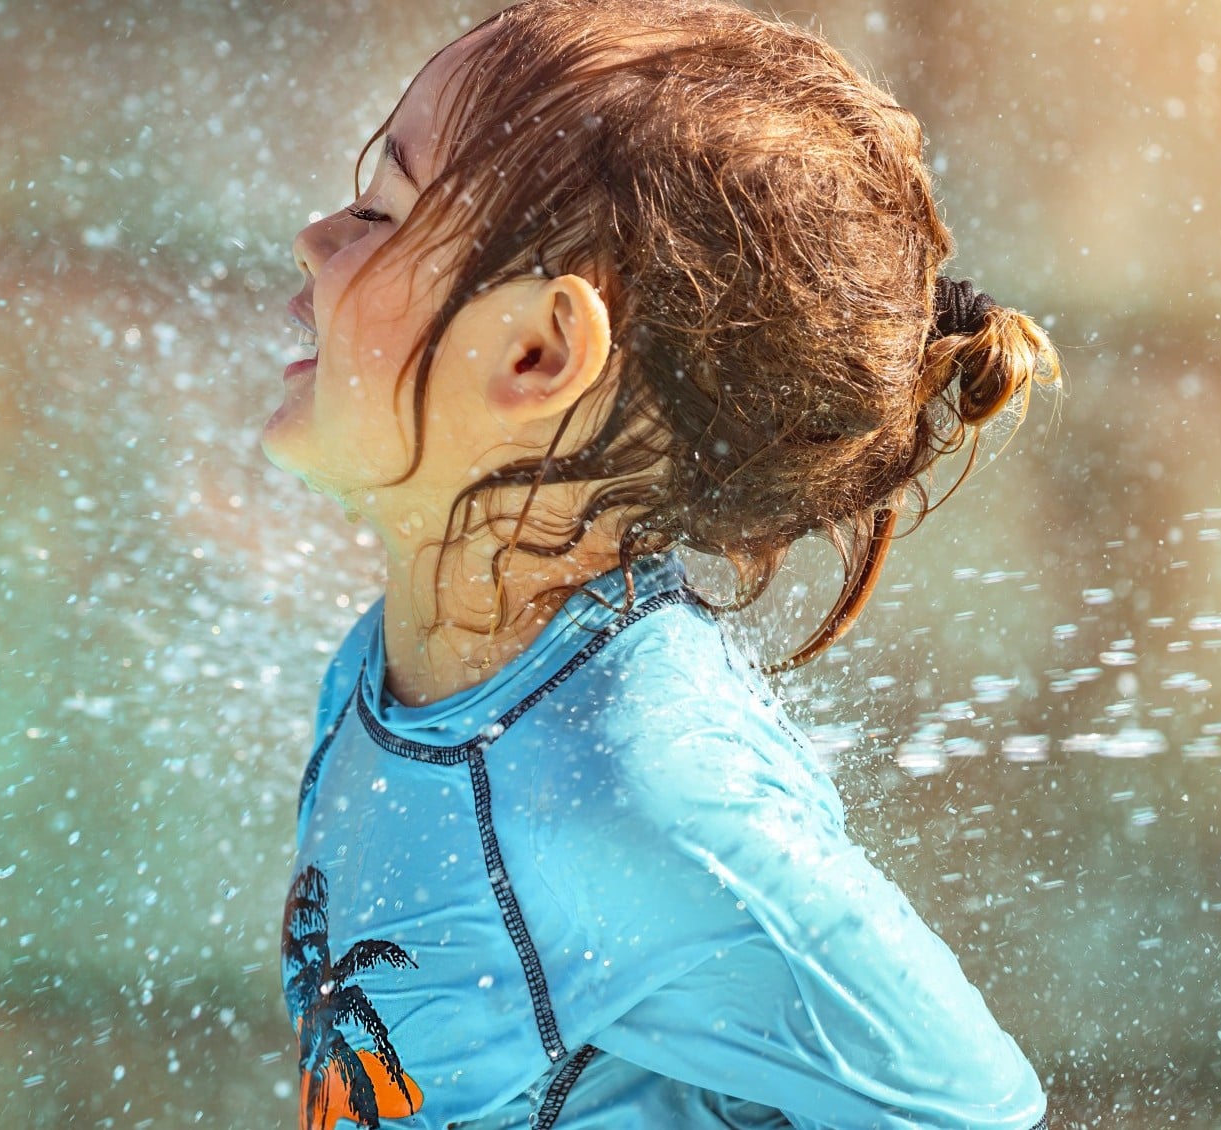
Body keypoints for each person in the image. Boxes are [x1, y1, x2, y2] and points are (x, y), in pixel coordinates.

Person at [260, 1, 1063, 1126]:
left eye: (381, 207)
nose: (316, 235)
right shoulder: (387, 667)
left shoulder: (628, 785)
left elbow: (971, 1107)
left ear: (537, 353)